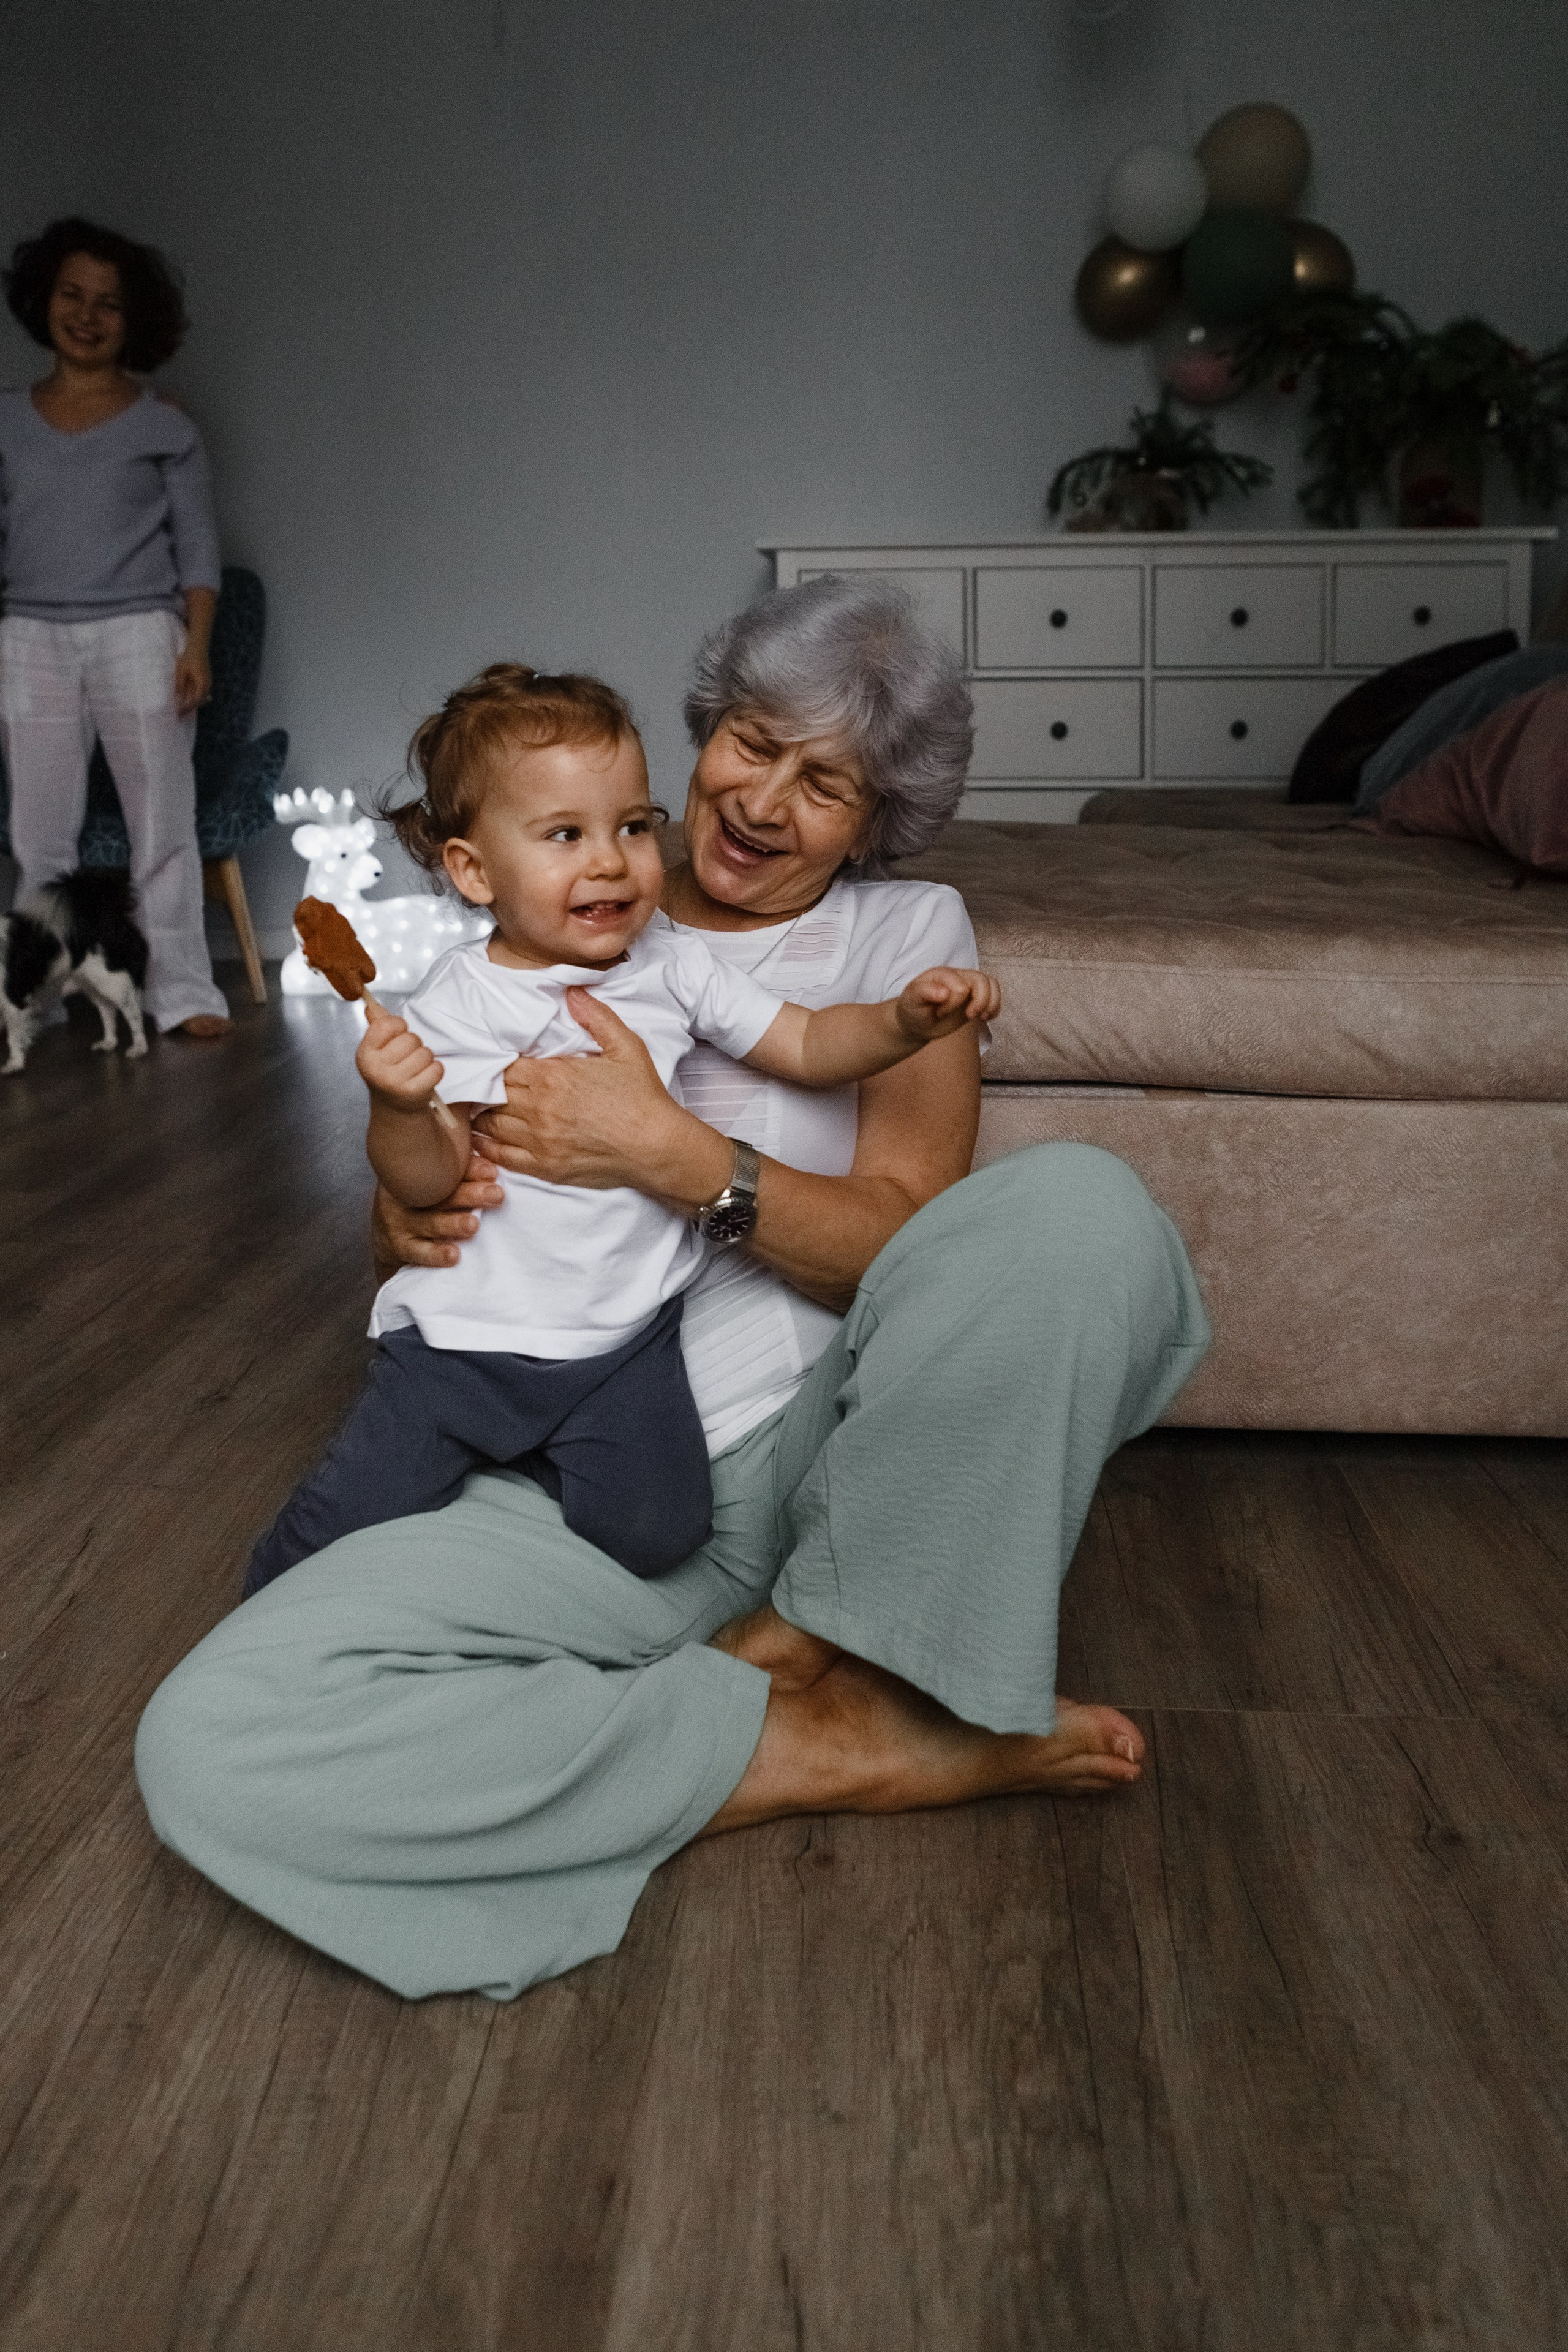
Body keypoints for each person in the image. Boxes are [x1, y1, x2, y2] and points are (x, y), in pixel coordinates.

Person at [136, 575, 1209, 2003]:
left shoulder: (903, 942)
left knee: (1084, 1206)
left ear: (875, 823)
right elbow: (424, 1215)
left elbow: (917, 1245)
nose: (765, 799)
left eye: (824, 784)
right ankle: (816, 1739)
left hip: (847, 1451)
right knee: (212, 1734)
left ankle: (849, 1626)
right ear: (698, 733)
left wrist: (681, 1157)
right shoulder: (533, 923)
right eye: (752, 743)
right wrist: (408, 1220)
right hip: (577, 1477)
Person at [246, 660, 997, 1591]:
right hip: (469, 1345)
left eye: (632, 828)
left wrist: (901, 1022)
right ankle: (280, 1606)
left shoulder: (671, 964)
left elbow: (805, 1043)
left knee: (657, 1532)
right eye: (567, 834)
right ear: (475, 871)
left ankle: (526, 1524)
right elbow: (431, 1179)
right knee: (346, 1527)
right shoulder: (463, 995)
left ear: (872, 825)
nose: (610, 859)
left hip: (627, 1344)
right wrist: (401, 1109)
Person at [0, 216, 232, 1039]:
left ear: (135, 321)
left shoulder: (165, 424)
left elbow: (200, 546)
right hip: (28, 638)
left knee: (163, 828)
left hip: (142, 634)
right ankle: (39, 999)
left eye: (108, 303)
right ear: (44, 301)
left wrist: (196, 644)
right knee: (39, 837)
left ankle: (185, 996)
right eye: (73, 295)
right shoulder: (6, 420)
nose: (88, 314)